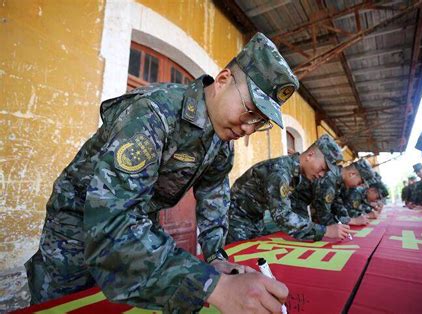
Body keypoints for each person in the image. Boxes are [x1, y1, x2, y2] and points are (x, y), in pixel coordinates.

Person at [25, 32, 298, 313]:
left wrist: (216, 257)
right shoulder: (154, 112)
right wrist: (214, 287)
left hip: (137, 224)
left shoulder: (221, 143)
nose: (249, 128)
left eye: (259, 122)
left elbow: (215, 199)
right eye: (250, 111)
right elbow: (112, 220)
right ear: (223, 80)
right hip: (77, 227)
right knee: (64, 304)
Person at [226, 134, 354, 243]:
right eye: (322, 169)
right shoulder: (281, 172)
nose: (321, 175)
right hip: (236, 219)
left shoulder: (294, 171)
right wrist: (325, 230)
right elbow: (282, 216)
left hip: (254, 219)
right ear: (310, 155)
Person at [314, 159, 375, 226]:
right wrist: (353, 221)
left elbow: (338, 206)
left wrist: (348, 218)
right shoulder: (330, 179)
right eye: (360, 183)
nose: (358, 186)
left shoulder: (338, 181)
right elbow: (323, 217)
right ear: (352, 174)